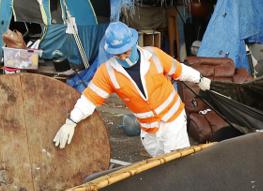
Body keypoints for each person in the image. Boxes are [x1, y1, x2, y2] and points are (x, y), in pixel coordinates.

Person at [45, 22, 211, 157]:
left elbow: (180, 70)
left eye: (125, 52)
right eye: (118, 55)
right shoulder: (107, 72)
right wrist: (71, 122)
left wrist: (200, 79)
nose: (123, 57)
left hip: (172, 122)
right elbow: (89, 98)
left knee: (179, 164)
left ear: (134, 43)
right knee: (161, 167)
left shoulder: (155, 56)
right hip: (149, 130)